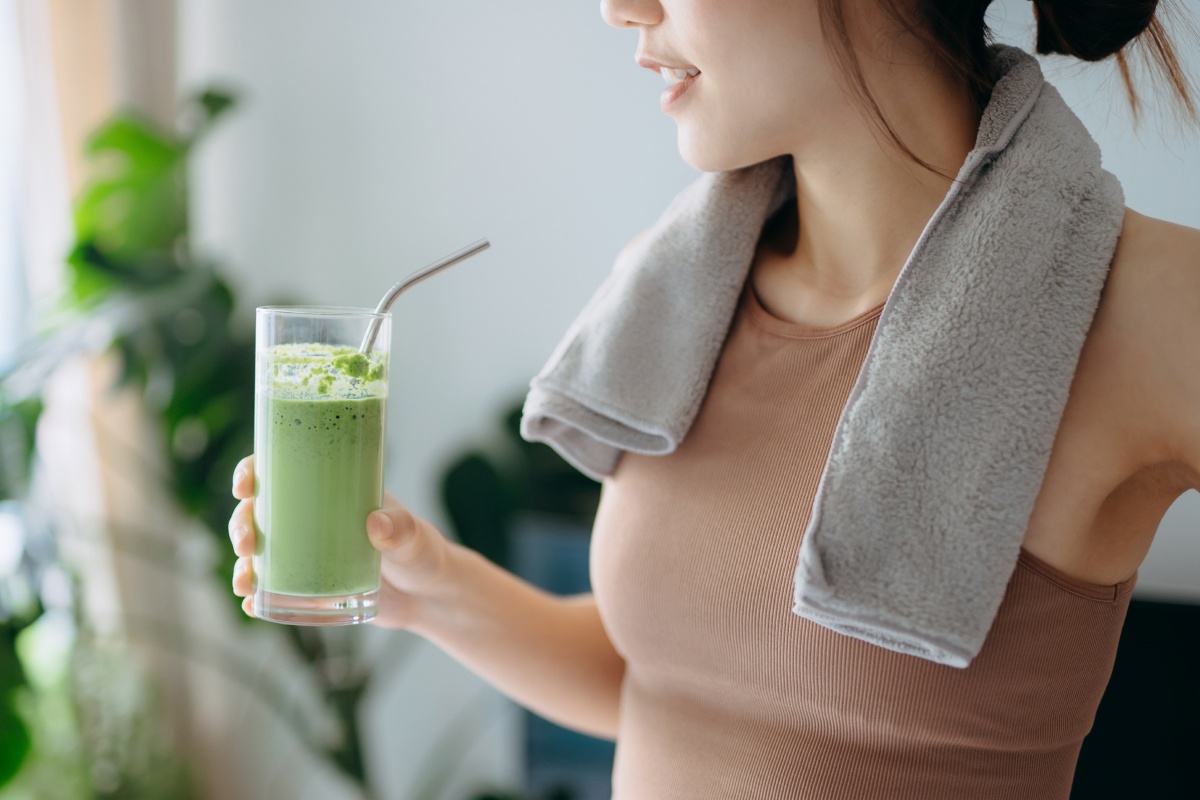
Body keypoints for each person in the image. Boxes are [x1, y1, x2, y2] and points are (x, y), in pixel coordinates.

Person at [227, 0, 1200, 796]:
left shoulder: (1145, 310)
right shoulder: (680, 304)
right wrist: (434, 589)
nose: (619, 10)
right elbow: (661, 684)